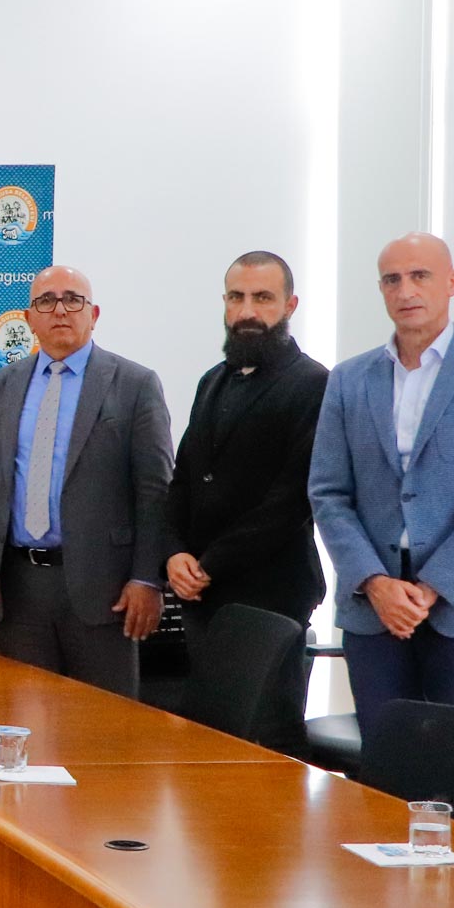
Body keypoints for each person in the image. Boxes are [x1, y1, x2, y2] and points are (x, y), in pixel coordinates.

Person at [309, 232, 454, 736]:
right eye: (392, 279)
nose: (405, 290)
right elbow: (328, 493)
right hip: (375, 605)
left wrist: (431, 588)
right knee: (386, 757)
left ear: (452, 282)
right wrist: (375, 583)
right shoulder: (349, 379)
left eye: (420, 276)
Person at [0, 265, 172, 698]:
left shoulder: (135, 384)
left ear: (94, 314)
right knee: (23, 718)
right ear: (29, 318)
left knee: (103, 725)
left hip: (106, 590)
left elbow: (155, 491)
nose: (60, 310)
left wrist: (147, 579)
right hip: (18, 587)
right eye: (46, 301)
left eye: (73, 300)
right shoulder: (1, 386)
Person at [165, 251, 328, 750]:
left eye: (263, 298)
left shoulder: (313, 383)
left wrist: (209, 563)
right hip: (203, 597)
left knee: (266, 742)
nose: (247, 311)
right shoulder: (214, 380)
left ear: (290, 305)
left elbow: (292, 500)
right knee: (210, 742)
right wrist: (174, 553)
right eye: (236, 297)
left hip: (271, 595)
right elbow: (183, 479)